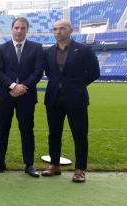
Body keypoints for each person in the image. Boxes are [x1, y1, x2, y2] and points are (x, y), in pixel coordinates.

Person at [42, 19, 100, 183]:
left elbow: (95, 72)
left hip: (76, 98)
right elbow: (49, 72)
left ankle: (80, 169)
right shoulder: (48, 52)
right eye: (55, 29)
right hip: (53, 98)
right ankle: (54, 165)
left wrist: (77, 85)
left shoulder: (83, 50)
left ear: (70, 30)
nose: (58, 31)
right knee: (54, 134)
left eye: (62, 28)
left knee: (80, 134)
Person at [0, 17, 44, 177]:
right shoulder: (2, 48)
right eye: (16, 28)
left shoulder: (37, 48)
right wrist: (13, 86)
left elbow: (38, 71)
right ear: (11, 29)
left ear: (27, 29)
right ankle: (0, 162)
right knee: (2, 130)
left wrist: (24, 86)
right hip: (5, 95)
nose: (19, 31)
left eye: (22, 28)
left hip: (26, 96)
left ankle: (29, 165)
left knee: (27, 130)